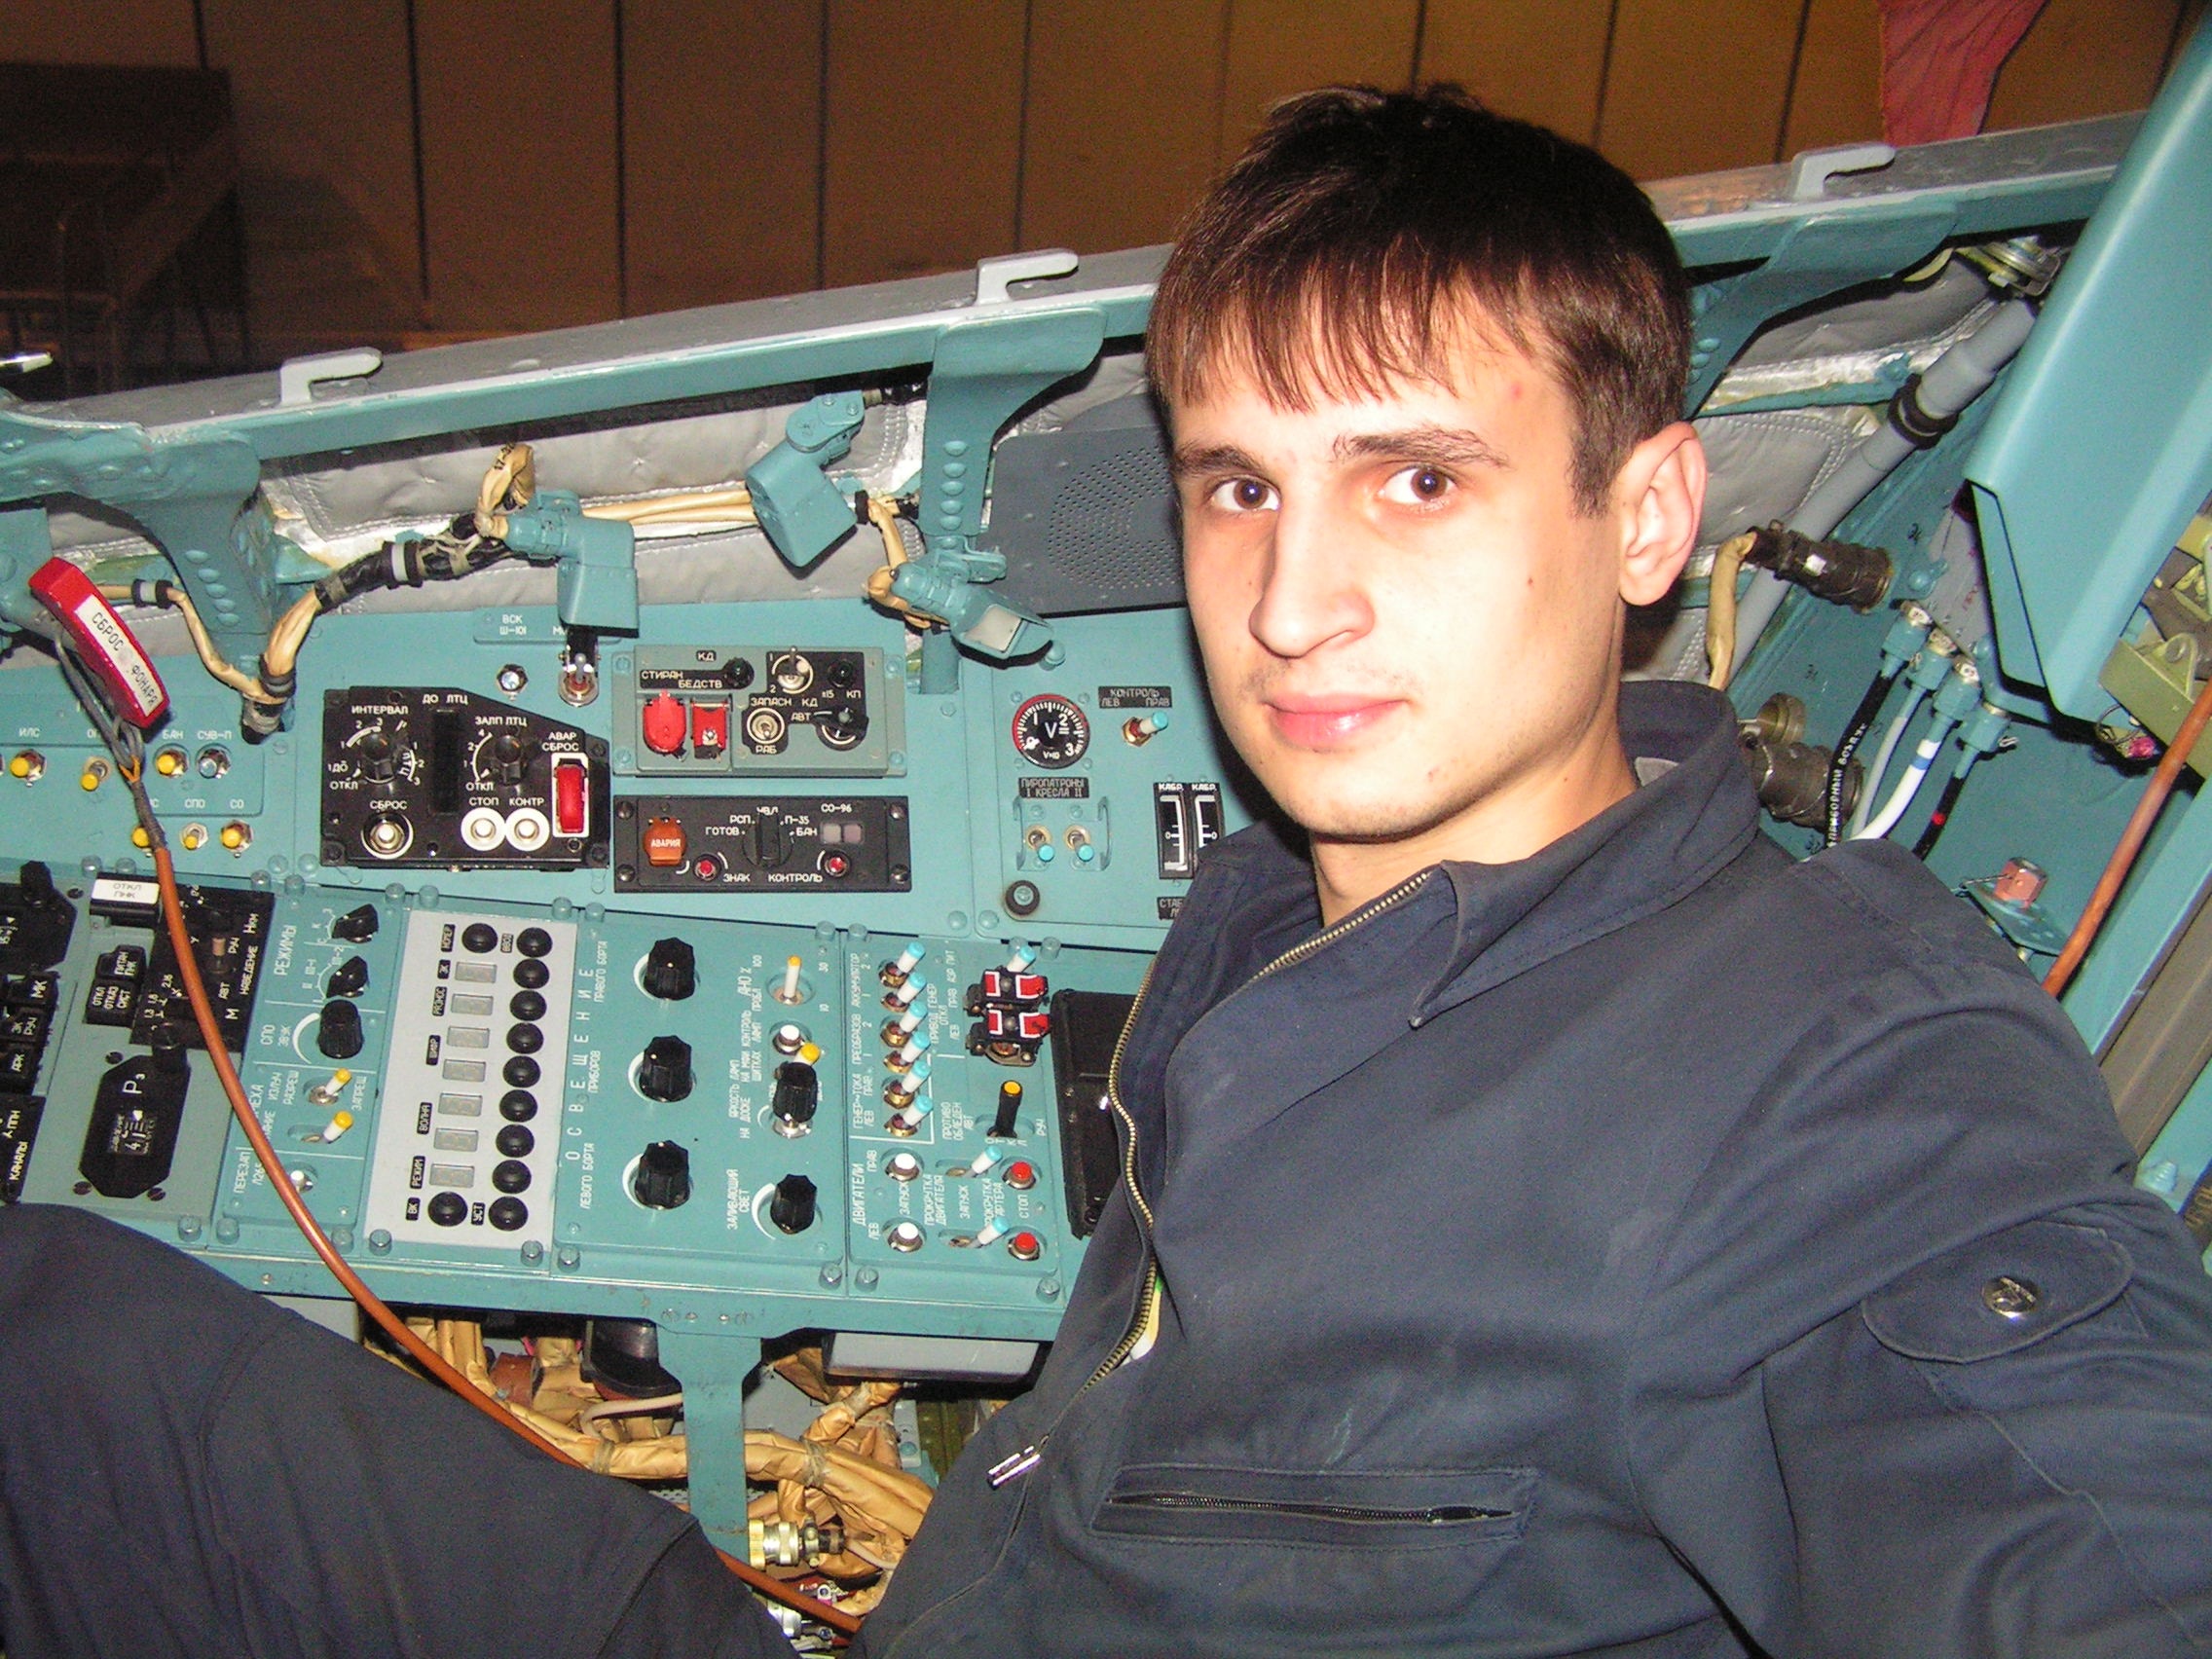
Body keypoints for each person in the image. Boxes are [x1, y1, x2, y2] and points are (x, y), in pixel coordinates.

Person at [5, 83, 2212, 1659]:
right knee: (59, 1343)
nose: (1292, 607)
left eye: (1416, 482)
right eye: (1241, 488)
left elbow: (2074, 1516)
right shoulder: (1268, 905)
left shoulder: (1836, 1069)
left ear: (1645, 518)